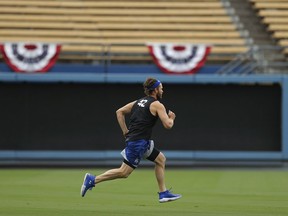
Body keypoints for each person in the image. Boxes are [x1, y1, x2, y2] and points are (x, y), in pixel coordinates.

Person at [80, 77, 181, 203]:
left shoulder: (138, 102)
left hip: (140, 141)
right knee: (124, 172)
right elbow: (168, 125)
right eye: (161, 88)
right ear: (155, 90)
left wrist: (125, 132)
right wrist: (172, 117)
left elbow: (119, 112)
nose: (162, 91)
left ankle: (163, 193)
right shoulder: (157, 105)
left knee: (161, 160)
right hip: (138, 143)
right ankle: (92, 180)